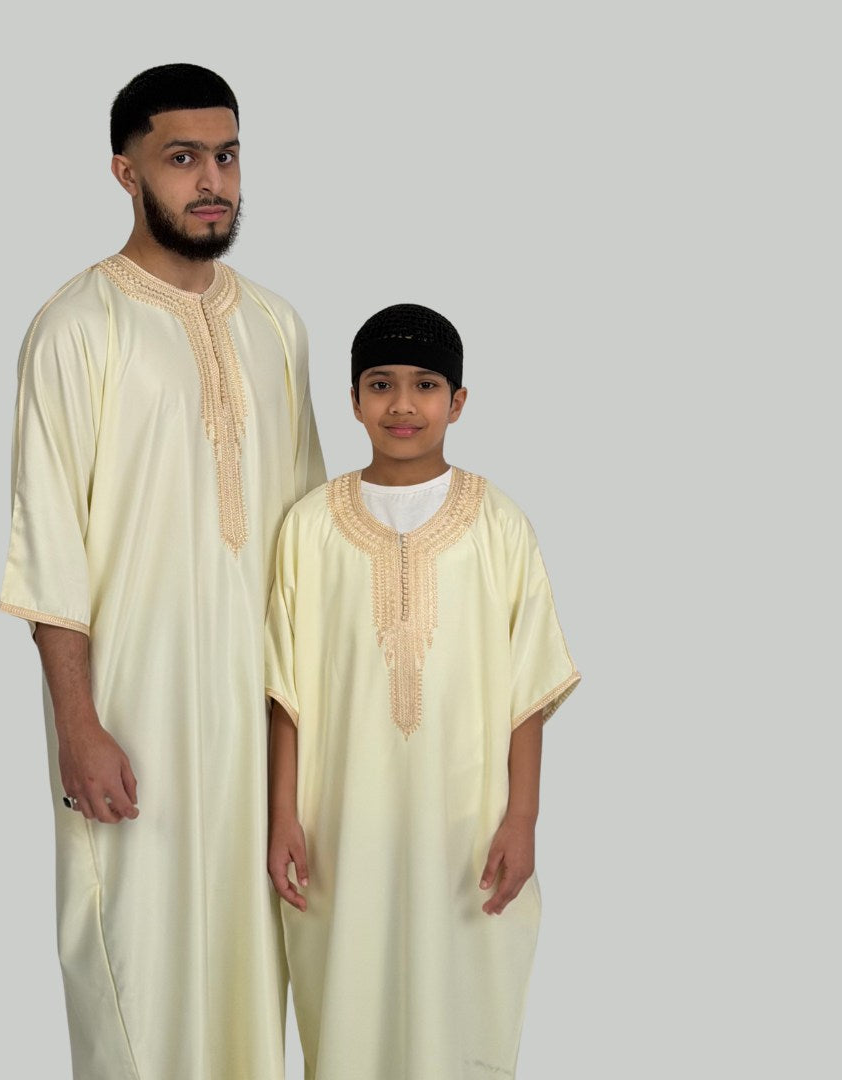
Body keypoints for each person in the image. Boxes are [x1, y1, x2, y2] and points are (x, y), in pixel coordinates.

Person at [0, 63, 324, 1080]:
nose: (211, 180)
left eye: (226, 156)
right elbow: (49, 542)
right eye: (182, 158)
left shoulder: (276, 327)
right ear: (125, 171)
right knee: (133, 983)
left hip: (254, 728)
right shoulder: (77, 326)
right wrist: (79, 726)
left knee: (249, 984)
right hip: (131, 724)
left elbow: (308, 545)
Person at [265, 303, 579, 1079]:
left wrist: (524, 819)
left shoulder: (499, 524)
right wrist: (282, 816)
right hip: (341, 824)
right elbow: (285, 692)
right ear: (352, 399)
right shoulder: (310, 527)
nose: (402, 404)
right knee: (348, 1002)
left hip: (466, 824)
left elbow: (530, 689)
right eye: (381, 384)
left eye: (425, 385)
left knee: (460, 1004)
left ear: (458, 401)